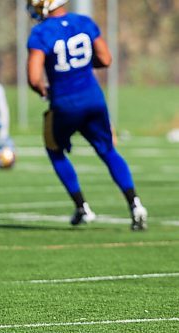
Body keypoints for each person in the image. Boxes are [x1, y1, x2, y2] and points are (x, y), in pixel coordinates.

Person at [26, 0, 148, 230]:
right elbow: (106, 59)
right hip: (93, 97)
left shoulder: (41, 31)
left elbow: (34, 78)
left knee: (55, 150)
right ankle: (135, 204)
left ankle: (82, 206)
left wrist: (45, 90)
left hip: (65, 102)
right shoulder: (83, 22)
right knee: (108, 150)